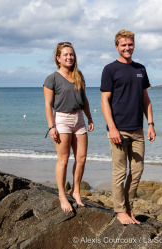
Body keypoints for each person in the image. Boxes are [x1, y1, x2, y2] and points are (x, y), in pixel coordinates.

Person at [100, 29, 156, 225]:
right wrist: (112, 128)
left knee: (138, 170)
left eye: (130, 44)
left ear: (134, 45)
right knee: (120, 171)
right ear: (117, 47)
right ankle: (119, 210)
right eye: (123, 45)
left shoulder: (140, 69)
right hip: (118, 129)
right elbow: (104, 101)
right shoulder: (110, 69)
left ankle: (129, 206)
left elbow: (145, 100)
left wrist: (150, 124)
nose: (127, 48)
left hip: (138, 129)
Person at [44, 42, 94, 212]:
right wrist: (52, 127)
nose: (69, 57)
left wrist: (89, 117)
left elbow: (84, 98)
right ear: (58, 58)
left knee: (81, 158)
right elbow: (48, 105)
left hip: (79, 118)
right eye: (65, 54)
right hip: (62, 119)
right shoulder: (52, 79)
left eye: (71, 54)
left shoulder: (79, 75)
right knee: (63, 159)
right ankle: (61, 195)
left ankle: (76, 191)